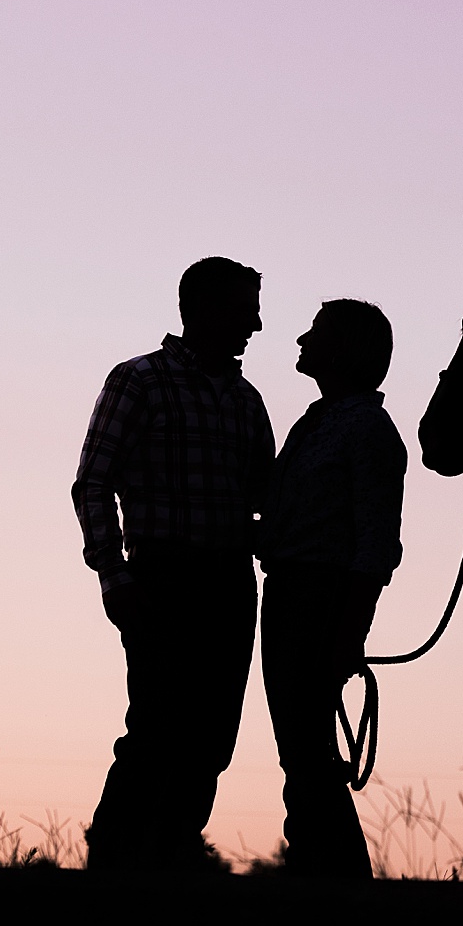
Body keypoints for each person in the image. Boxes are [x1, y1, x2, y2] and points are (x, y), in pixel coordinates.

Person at [72, 257, 275, 870]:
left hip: (231, 585)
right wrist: (114, 573)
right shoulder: (140, 381)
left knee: (212, 739)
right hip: (162, 580)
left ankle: (170, 856)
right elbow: (92, 483)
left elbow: (266, 500)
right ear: (204, 310)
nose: (257, 325)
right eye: (245, 311)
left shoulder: (246, 401)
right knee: (158, 729)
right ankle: (114, 857)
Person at [257, 299, 406, 877]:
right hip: (293, 595)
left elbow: (375, 546)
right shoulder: (319, 421)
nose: (300, 339)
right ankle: (323, 875)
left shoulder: (366, 428)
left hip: (316, 602)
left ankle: (334, 880)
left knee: (307, 754)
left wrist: (348, 633)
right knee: (303, 752)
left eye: (315, 332)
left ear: (341, 350)